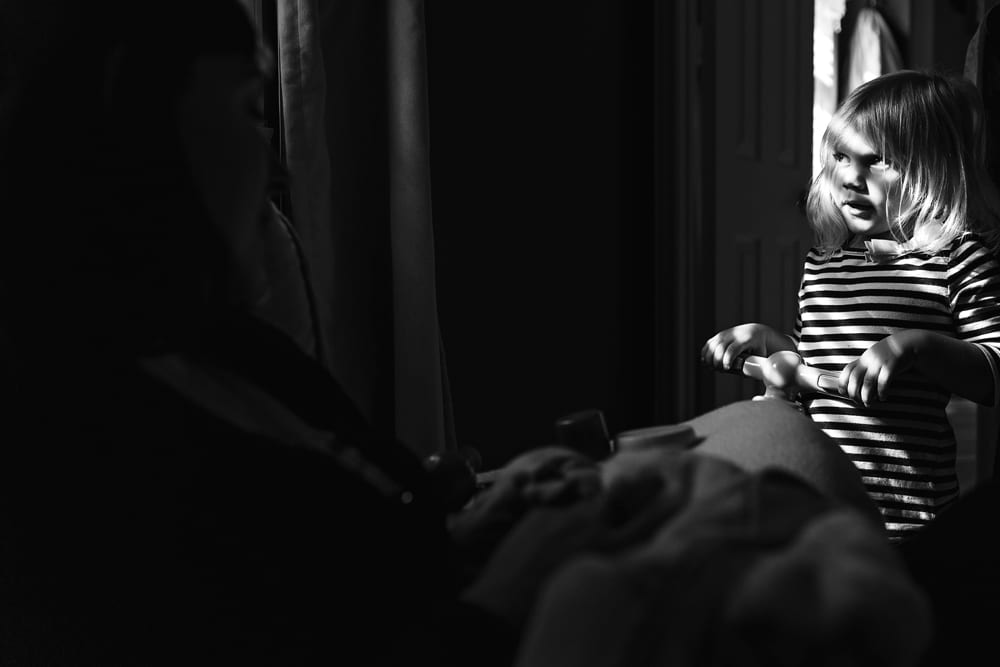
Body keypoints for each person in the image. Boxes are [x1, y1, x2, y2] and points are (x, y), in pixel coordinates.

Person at [702, 70, 1000, 542]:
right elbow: (817, 368)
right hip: (819, 504)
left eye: (878, 161)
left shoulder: (955, 259)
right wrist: (774, 343)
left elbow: (993, 372)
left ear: (933, 168)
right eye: (840, 156)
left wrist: (918, 346)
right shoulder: (824, 263)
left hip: (907, 518)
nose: (849, 178)